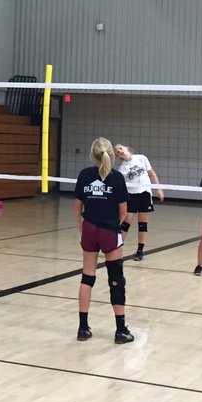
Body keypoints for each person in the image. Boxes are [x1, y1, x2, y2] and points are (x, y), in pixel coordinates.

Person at [73, 137, 134, 344]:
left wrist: (81, 228)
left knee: (87, 277)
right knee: (116, 277)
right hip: (109, 230)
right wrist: (112, 226)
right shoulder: (117, 178)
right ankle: (121, 330)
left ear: (93, 154)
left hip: (89, 229)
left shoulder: (84, 175)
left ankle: (83, 328)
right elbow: (124, 212)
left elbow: (77, 207)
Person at [114, 144, 164, 261]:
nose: (119, 151)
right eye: (117, 152)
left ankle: (140, 251)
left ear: (126, 148)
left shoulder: (141, 158)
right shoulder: (122, 169)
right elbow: (120, 186)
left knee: (142, 223)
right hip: (130, 195)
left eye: (120, 148)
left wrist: (159, 188)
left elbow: (152, 173)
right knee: (126, 223)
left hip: (144, 193)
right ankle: (118, 248)